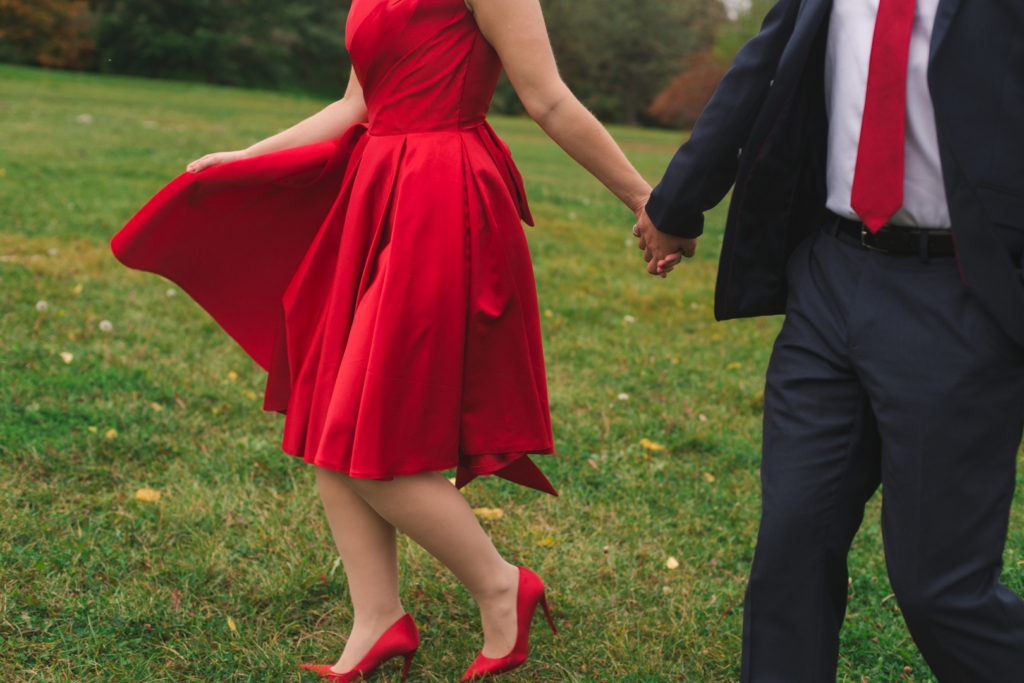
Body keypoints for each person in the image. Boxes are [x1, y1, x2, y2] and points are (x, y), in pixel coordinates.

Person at [113, 0, 669, 680]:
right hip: (375, 190)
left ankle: (502, 585)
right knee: (324, 411)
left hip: (443, 198)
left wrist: (648, 200)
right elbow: (355, 104)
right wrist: (248, 155)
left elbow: (547, 99)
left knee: (365, 428)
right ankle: (377, 616)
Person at [634, 0, 1024, 680]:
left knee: (942, 588)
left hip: (960, 291)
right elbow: (760, 69)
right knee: (790, 548)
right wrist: (677, 203)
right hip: (830, 275)